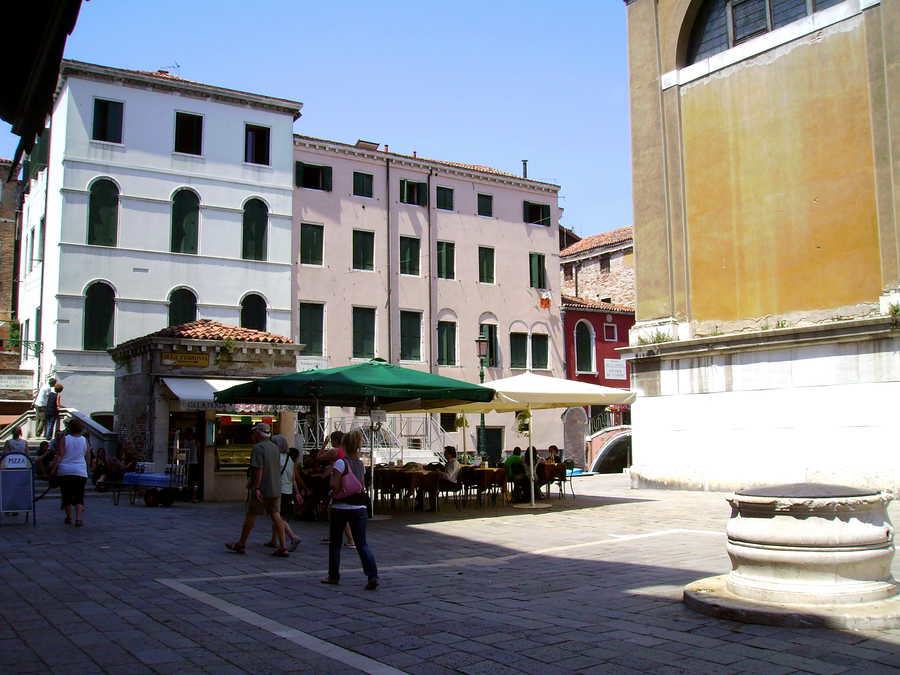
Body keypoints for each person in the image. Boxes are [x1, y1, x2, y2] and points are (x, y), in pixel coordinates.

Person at [321, 429, 378, 590]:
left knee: (335, 543)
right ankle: (372, 575)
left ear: (344, 446)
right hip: (359, 507)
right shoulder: (361, 464)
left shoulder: (341, 463)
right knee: (362, 544)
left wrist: (333, 480)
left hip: (341, 506)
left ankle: (333, 576)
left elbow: (334, 484)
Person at [226, 423, 290, 557]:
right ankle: (283, 546)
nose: (253, 435)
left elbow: (258, 469)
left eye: (254, 432)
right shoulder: (275, 448)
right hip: (276, 487)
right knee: (276, 515)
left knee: (251, 514)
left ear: (258, 434)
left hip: (263, 488)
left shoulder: (258, 448)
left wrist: (257, 487)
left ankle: (241, 544)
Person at [53, 418, 90, 526]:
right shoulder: (84, 440)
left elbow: (60, 455)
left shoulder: (65, 439)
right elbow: (87, 455)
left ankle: (69, 517)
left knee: (67, 495)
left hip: (65, 470)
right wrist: (87, 467)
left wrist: (54, 468)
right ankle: (78, 519)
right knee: (79, 495)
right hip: (80, 471)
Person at [266, 435, 301, 552]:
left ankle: (292, 536)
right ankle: (273, 540)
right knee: (278, 516)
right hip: (288, 491)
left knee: (277, 516)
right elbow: (292, 478)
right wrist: (297, 492)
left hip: (278, 490)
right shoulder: (289, 459)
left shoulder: (276, 458)